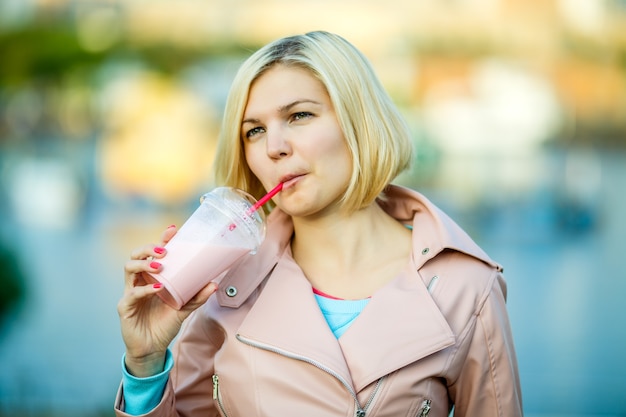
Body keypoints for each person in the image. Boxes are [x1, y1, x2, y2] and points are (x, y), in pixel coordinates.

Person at [115, 30, 523, 416]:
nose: (274, 147)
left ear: (358, 121)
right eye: (254, 130)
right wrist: (146, 363)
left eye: (299, 116)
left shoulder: (466, 288)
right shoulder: (220, 285)